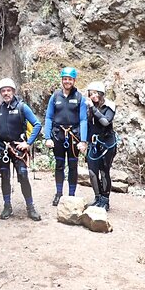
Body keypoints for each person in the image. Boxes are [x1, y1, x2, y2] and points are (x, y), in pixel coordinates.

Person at [0, 78, 43, 221]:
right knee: (5, 177)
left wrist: (28, 143)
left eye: (8, 90)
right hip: (2, 147)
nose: (6, 93)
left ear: (13, 91)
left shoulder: (22, 107)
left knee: (23, 176)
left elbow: (37, 125)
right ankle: (7, 206)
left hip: (18, 147)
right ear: (0, 93)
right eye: (3, 91)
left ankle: (30, 207)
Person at [43, 67, 88, 206]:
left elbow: (83, 120)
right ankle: (58, 193)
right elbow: (49, 117)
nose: (67, 81)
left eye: (70, 79)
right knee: (59, 165)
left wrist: (83, 140)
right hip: (58, 135)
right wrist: (47, 137)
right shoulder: (55, 96)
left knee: (73, 166)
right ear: (62, 80)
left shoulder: (79, 97)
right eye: (65, 79)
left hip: (73, 135)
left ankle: (72, 195)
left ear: (74, 80)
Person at [84, 81, 118, 211]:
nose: (93, 96)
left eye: (96, 93)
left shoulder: (109, 106)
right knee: (92, 172)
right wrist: (84, 141)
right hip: (94, 142)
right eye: (91, 94)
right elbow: (87, 125)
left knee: (104, 171)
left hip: (107, 143)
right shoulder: (89, 107)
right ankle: (97, 197)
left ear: (101, 94)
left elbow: (105, 121)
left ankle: (105, 200)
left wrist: (92, 108)